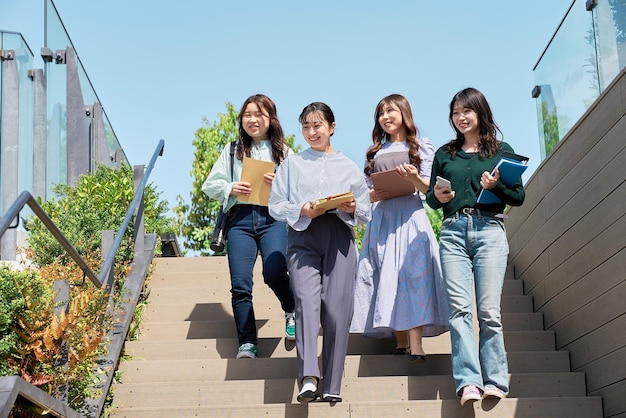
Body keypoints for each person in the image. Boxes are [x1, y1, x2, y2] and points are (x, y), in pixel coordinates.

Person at [425, 87, 525, 406]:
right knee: (459, 310)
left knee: (489, 311)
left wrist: (497, 187)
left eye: (467, 111)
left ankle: (495, 379)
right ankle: (469, 381)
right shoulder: (445, 154)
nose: (461, 117)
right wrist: (436, 198)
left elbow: (519, 197)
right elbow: (431, 197)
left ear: (480, 112)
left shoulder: (502, 150)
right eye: (455, 112)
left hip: (490, 230)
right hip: (453, 232)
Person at [269, 102, 371, 403]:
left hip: (339, 236)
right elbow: (275, 205)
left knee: (338, 311)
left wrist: (352, 207)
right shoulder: (292, 165)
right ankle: (309, 376)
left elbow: (366, 211)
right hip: (303, 236)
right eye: (306, 126)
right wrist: (299, 208)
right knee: (305, 301)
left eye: (317, 126)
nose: (311, 132)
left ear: (332, 127)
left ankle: (332, 384)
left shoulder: (348, 166)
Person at [351, 94, 449, 361]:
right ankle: (401, 342)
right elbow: (364, 192)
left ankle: (417, 346)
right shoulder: (374, 153)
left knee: (414, 276)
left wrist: (413, 177)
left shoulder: (422, 147)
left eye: (391, 110)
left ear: (405, 112)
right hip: (382, 218)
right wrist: (373, 195)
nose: (386, 116)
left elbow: (430, 189)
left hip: (411, 216)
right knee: (386, 275)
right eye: (381, 113)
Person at [202, 94, 296, 359]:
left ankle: (292, 309)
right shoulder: (233, 150)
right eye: (247, 115)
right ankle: (247, 342)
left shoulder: (284, 151)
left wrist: (278, 182)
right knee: (240, 285)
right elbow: (210, 185)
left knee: (274, 271)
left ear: (271, 119)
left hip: (273, 219)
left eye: (259, 114)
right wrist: (231, 187)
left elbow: (300, 189)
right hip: (239, 220)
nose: (253, 120)